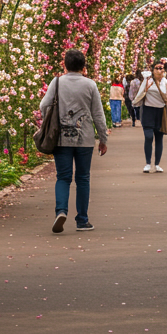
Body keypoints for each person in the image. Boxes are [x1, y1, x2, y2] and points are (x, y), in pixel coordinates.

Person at [39, 50, 108, 232]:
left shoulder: (57, 82)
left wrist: (51, 119)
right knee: (83, 178)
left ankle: (61, 211)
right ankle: (82, 220)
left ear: (65, 65)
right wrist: (102, 138)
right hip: (84, 139)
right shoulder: (90, 85)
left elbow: (44, 105)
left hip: (61, 138)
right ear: (84, 67)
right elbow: (98, 114)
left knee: (63, 177)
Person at [133, 61, 167, 172]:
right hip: (148, 111)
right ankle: (148, 163)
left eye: (161, 68)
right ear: (153, 70)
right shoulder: (148, 81)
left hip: (161, 112)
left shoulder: (166, 83)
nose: (159, 70)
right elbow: (140, 94)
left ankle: (157, 164)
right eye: (157, 68)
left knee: (159, 138)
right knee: (149, 136)